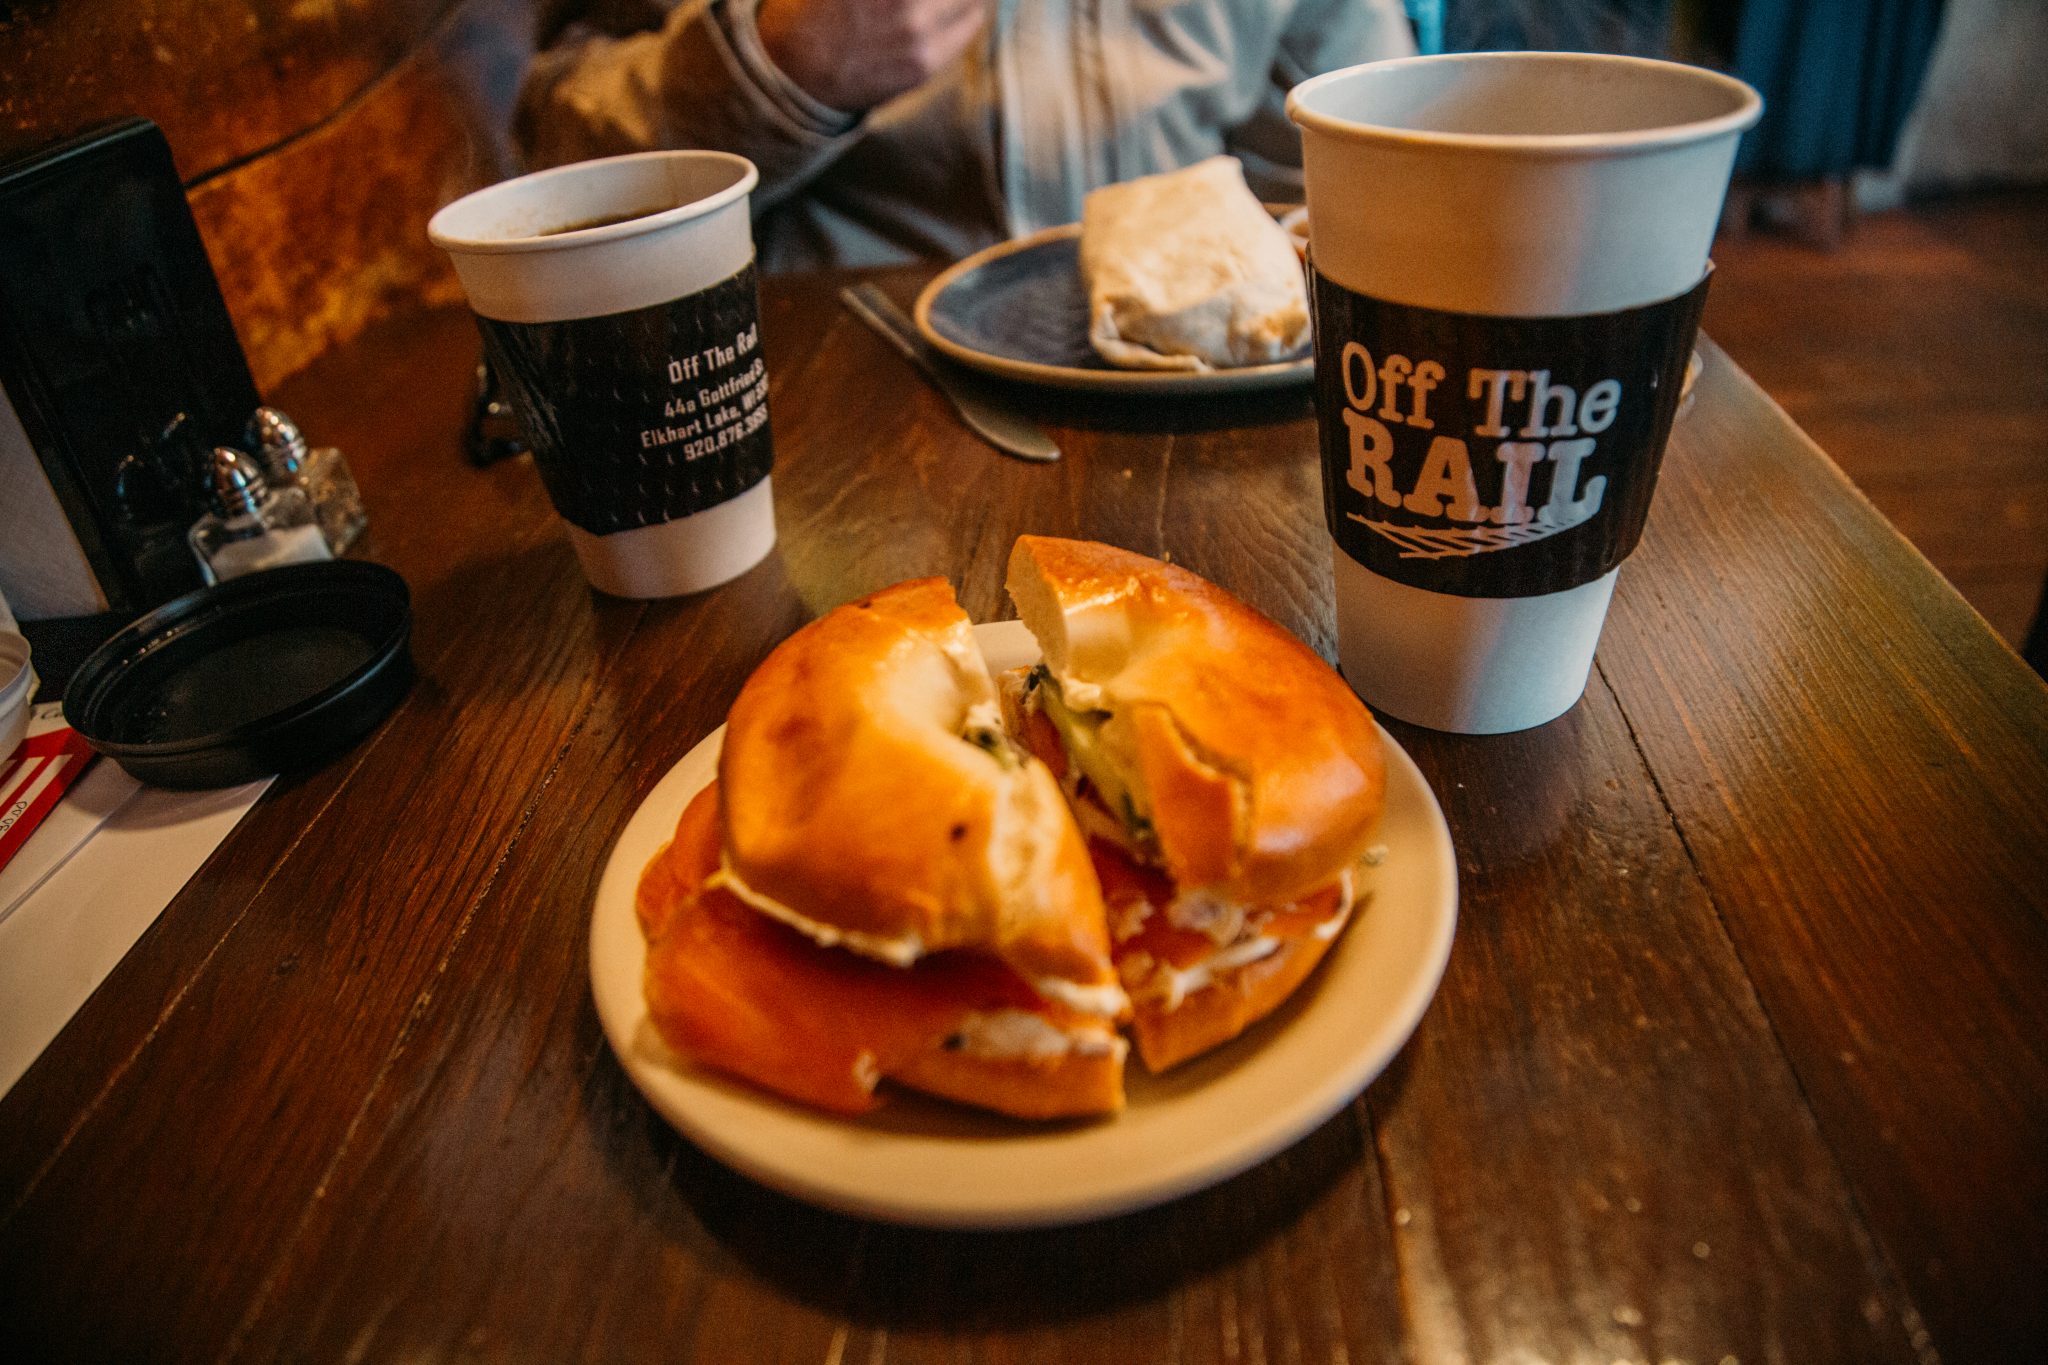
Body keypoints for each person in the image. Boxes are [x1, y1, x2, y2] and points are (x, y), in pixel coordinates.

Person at [515, 0, 1416, 271]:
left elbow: (1372, 176)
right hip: (838, 411)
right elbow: (552, 161)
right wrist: (773, 66)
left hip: (1190, 408)